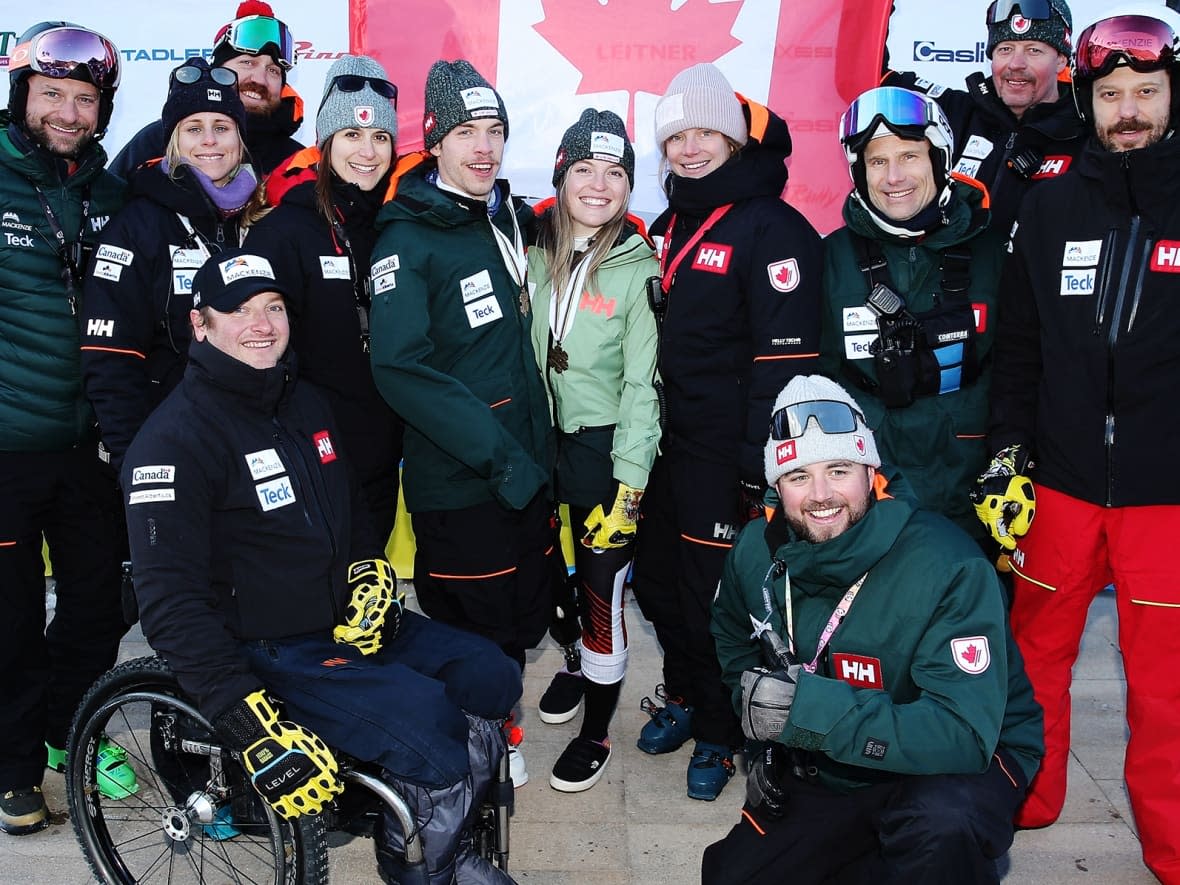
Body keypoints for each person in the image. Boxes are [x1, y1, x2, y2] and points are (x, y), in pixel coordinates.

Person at [122, 248, 519, 884]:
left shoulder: (305, 402)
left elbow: (352, 511)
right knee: (430, 723)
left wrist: (369, 573)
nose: (262, 324)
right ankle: (423, 864)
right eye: (239, 311)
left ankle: (440, 811)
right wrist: (245, 721)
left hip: (345, 624)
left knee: (490, 674)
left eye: (273, 308)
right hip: (271, 646)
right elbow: (169, 606)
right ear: (200, 325)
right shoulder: (171, 442)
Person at [703, 374, 1043, 884]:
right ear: (776, 486)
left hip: (958, 758)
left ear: (871, 473)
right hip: (834, 755)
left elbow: (961, 734)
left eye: (838, 470)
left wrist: (805, 712)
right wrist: (764, 733)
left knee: (941, 825)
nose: (821, 495)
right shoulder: (756, 551)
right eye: (798, 476)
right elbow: (732, 640)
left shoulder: (947, 565)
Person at [981, 13, 1180, 882]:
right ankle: (1029, 794)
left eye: (1145, 92)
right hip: (1059, 485)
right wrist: (1008, 455)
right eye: (1111, 96)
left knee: (1167, 687)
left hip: (1164, 494)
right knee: (1034, 658)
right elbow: (1019, 349)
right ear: (1087, 101)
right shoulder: (1053, 203)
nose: (1127, 110)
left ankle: (1172, 847)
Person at [629, 61, 823, 801]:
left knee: (715, 598)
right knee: (655, 580)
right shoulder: (675, 219)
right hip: (667, 447)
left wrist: (757, 466)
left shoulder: (773, 227)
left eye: (706, 132)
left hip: (727, 453)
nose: (690, 148)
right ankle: (685, 694)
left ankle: (722, 729)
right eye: (677, 136)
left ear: (735, 140)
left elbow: (789, 362)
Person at [368, 59, 560, 787]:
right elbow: (401, 370)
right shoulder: (406, 241)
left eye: (495, 132)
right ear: (434, 143)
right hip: (466, 481)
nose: (484, 148)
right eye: (466, 133)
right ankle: (467, 755)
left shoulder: (503, 218)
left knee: (515, 622)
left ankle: (494, 729)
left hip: (523, 472)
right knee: (470, 632)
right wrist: (502, 459)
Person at [0, 21, 133, 836]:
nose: (67, 112)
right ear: (23, 96)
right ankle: (15, 769)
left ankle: (57, 732)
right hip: (8, 449)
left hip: (92, 448)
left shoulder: (111, 193)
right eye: (52, 95)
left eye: (83, 100)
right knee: (10, 618)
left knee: (98, 603)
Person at [526, 109, 660, 792]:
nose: (599, 184)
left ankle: (599, 728)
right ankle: (574, 662)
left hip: (608, 453)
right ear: (561, 174)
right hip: (541, 447)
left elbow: (644, 386)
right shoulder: (533, 249)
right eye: (585, 168)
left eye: (615, 172)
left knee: (601, 594)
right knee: (550, 583)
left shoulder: (639, 266)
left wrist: (630, 485)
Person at [818, 86, 1006, 542]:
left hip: (968, 485)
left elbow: (1018, 368)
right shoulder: (830, 258)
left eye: (909, 157)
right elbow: (816, 376)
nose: (893, 177)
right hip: (870, 489)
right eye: (877, 162)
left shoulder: (992, 253)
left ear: (939, 161)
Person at [80, 57, 266, 473]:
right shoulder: (137, 225)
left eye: (222, 128)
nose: (209, 142)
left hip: (252, 445)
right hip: (168, 445)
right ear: (173, 141)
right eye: (194, 129)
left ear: (240, 138)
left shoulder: (263, 217)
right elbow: (110, 360)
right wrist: (137, 462)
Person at [247, 55, 404, 541]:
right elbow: (258, 354)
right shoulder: (284, 231)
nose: (368, 152)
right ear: (326, 141)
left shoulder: (394, 228)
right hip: (309, 460)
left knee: (367, 591)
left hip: (380, 458)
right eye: (352, 135)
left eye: (381, 137)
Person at [885, 0, 1085, 236]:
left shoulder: (1087, 131)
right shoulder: (953, 112)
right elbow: (866, 74)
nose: (1016, 64)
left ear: (1061, 59)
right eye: (1005, 49)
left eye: (1034, 50)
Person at [109, 0, 304, 181]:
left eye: (273, 71)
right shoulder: (159, 140)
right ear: (218, 71)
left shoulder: (297, 163)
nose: (260, 79)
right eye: (247, 62)